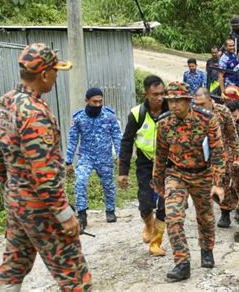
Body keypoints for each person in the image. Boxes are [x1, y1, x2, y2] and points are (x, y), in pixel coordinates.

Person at [0, 43, 92, 290]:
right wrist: (64, 215)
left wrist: (10, 188)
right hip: (42, 208)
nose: (56, 77)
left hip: (17, 203)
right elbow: (44, 174)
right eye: (55, 71)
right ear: (44, 74)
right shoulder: (34, 114)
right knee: (75, 275)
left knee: (14, 266)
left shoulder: (2, 103)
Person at [151, 82, 225, 282]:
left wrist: (218, 183)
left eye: (177, 101)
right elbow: (161, 154)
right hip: (177, 174)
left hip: (203, 174)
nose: (173, 106)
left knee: (206, 217)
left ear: (188, 101)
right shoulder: (165, 123)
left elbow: (218, 152)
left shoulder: (207, 119)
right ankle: (182, 262)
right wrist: (157, 180)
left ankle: (207, 249)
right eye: (170, 101)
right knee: (173, 217)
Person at [118, 75, 168, 256]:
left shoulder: (171, 110)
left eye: (162, 93)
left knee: (164, 203)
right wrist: (123, 171)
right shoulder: (137, 113)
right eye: (155, 94)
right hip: (145, 162)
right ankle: (148, 224)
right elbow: (126, 142)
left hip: (168, 163)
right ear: (145, 94)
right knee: (146, 201)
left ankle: (156, 242)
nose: (160, 98)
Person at [66, 87, 122, 229]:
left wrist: (120, 155)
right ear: (87, 101)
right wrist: (68, 161)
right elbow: (72, 140)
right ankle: (82, 215)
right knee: (80, 182)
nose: (97, 104)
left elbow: (116, 136)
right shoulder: (78, 117)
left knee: (108, 185)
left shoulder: (109, 115)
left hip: (105, 156)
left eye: (100, 101)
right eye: (94, 102)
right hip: (86, 157)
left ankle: (110, 210)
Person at [194, 87, 239, 228]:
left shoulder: (223, 112)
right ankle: (206, 213)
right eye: (197, 104)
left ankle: (225, 213)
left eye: (202, 104)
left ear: (210, 100)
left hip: (221, 154)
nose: (199, 107)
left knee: (223, 184)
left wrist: (236, 156)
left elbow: (233, 136)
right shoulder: (193, 113)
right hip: (201, 155)